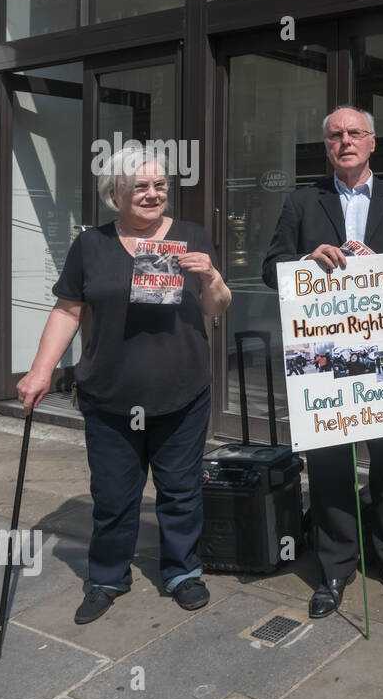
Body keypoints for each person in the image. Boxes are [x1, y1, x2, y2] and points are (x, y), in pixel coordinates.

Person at [17, 148, 232, 624]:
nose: (153, 194)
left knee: (179, 490)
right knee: (113, 495)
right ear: (114, 194)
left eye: (159, 185)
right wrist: (40, 370)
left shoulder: (191, 236)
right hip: (110, 396)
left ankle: (182, 572)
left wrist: (212, 276)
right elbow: (68, 310)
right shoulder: (90, 245)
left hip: (182, 390)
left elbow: (216, 308)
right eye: (140, 186)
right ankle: (108, 576)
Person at [263, 105, 383, 617]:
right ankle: (335, 566)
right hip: (323, 352)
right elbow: (271, 270)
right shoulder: (302, 202)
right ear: (327, 146)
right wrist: (303, 262)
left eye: (355, 133)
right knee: (329, 459)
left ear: (372, 142)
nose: (345, 142)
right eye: (336, 135)